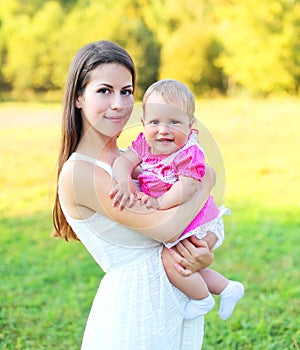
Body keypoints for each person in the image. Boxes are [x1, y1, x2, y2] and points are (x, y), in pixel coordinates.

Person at [52, 41, 216, 350]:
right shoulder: (81, 173)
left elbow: (183, 222)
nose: (119, 104)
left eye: (126, 91)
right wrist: (205, 181)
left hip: (169, 296)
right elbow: (166, 228)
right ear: (77, 97)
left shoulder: (130, 160)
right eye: (104, 91)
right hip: (136, 310)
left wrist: (201, 258)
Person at [110, 79, 244, 321]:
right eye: (155, 122)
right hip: (184, 219)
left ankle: (202, 300)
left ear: (190, 124)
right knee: (187, 264)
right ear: (143, 123)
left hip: (201, 221)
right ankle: (227, 288)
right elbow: (122, 162)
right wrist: (124, 182)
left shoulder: (187, 152)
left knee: (173, 262)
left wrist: (159, 204)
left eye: (174, 122)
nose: (163, 129)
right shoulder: (144, 144)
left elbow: (189, 186)